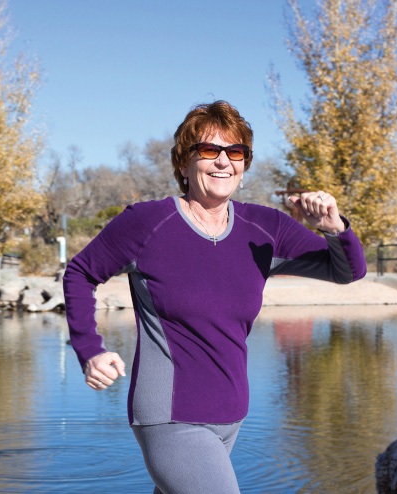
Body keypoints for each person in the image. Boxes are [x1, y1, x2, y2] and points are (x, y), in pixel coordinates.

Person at [63, 100, 367, 494]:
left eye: (235, 152)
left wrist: (334, 227)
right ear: (184, 164)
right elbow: (81, 272)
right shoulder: (148, 222)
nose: (223, 161)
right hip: (170, 414)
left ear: (244, 166)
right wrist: (90, 348)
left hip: (231, 416)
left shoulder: (265, 228)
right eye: (209, 150)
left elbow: (347, 271)